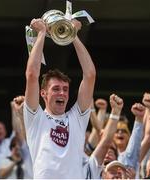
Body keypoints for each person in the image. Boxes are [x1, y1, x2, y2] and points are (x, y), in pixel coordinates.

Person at [23, 18, 96, 179]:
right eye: (55, 89)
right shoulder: (36, 117)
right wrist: (42, 32)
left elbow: (90, 75)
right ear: (43, 94)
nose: (62, 93)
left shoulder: (77, 118)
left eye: (65, 89)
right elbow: (32, 75)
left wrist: (73, 35)